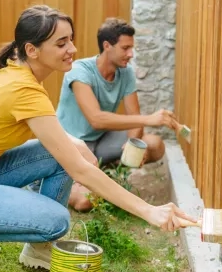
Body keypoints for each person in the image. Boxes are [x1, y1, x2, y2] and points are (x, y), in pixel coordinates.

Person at [0, 5, 196, 268]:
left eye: (71, 40)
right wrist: (148, 211)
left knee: (65, 153)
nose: (72, 50)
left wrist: (76, 143)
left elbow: (55, 138)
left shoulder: (18, 71)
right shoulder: (23, 89)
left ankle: (38, 252)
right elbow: (78, 169)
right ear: (32, 50)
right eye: (62, 43)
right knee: (56, 221)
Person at [56, 18, 180, 212]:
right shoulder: (79, 71)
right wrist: (149, 118)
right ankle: (62, 185)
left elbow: (134, 117)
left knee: (154, 145)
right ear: (107, 46)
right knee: (86, 201)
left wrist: (133, 146)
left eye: (131, 48)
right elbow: (96, 119)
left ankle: (102, 175)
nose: (131, 54)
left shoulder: (126, 73)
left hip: (101, 142)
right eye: (125, 48)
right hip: (73, 145)